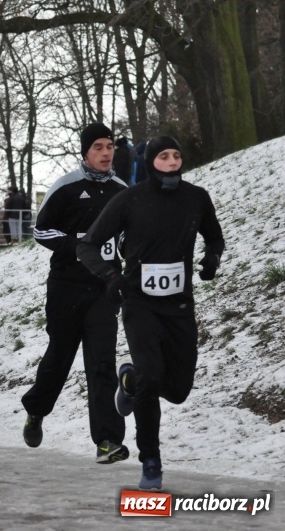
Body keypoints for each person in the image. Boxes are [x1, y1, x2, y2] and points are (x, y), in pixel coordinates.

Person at [78, 135, 224, 490]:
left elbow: (215, 237)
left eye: (176, 155)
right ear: (151, 162)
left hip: (179, 306)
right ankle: (151, 461)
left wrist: (212, 258)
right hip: (139, 304)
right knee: (151, 376)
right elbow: (88, 245)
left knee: (177, 390)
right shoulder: (129, 200)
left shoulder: (196, 198)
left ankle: (128, 380)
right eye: (164, 156)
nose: (172, 162)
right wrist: (112, 276)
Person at [22, 122, 130, 464]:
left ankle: (107, 441)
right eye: (97, 147)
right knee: (59, 359)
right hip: (67, 288)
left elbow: (128, 237)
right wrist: (78, 246)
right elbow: (40, 229)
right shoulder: (66, 187)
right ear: (85, 152)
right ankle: (36, 411)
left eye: (109, 146)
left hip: (104, 289)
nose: (105, 153)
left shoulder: (121, 190)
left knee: (102, 364)